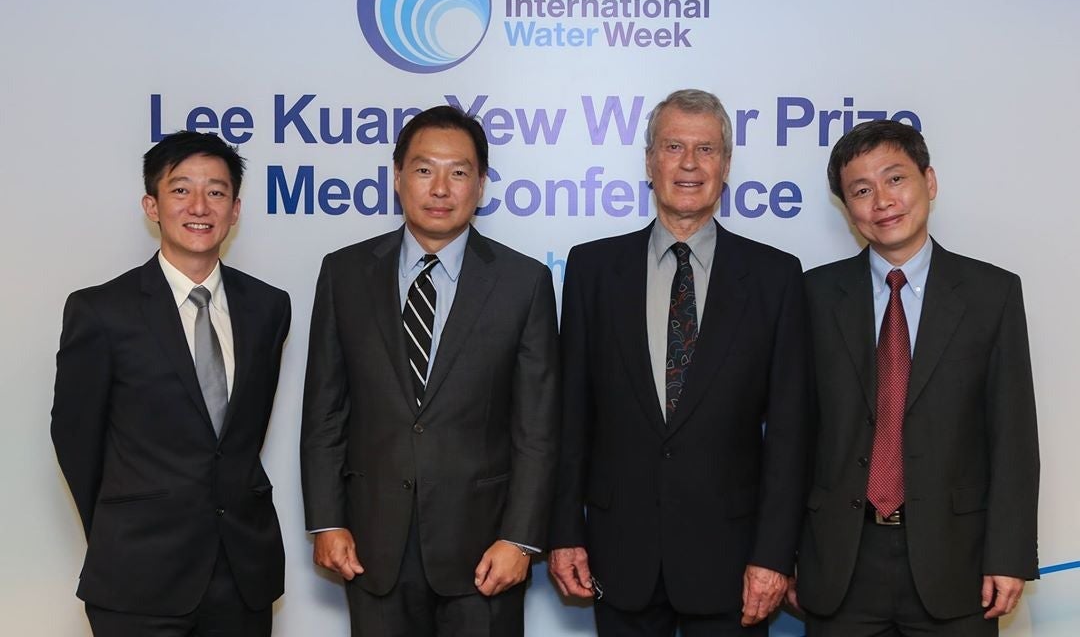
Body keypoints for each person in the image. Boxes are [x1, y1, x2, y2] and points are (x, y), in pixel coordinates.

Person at [548, 89, 811, 636]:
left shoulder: (775, 278)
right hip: (619, 556)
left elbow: (790, 433)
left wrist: (773, 555)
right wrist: (564, 532)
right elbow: (571, 416)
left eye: (706, 149)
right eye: (673, 146)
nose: (689, 164)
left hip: (734, 564)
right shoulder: (592, 269)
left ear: (726, 165)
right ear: (649, 161)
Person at [300, 105, 560, 637]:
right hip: (373, 549)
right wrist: (327, 521)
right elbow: (325, 410)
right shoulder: (344, 274)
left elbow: (537, 428)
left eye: (459, 172)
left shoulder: (523, 282)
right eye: (424, 170)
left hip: (484, 554)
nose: (440, 187)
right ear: (397, 177)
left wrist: (520, 539)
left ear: (481, 185)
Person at [789, 119, 1039, 636]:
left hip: (957, 563)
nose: (882, 200)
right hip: (840, 561)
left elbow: (1013, 436)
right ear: (846, 207)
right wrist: (784, 554)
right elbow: (794, 437)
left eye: (895, 178)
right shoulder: (813, 296)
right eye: (862, 189)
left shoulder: (992, 294)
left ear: (930, 181)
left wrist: (1010, 555)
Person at [51, 131, 292, 636]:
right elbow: (75, 440)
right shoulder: (101, 311)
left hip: (242, 573)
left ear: (236, 208)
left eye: (217, 192)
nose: (199, 206)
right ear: (152, 205)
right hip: (138, 576)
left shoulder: (269, 307)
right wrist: (125, 524)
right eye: (181, 190)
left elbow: (241, 439)